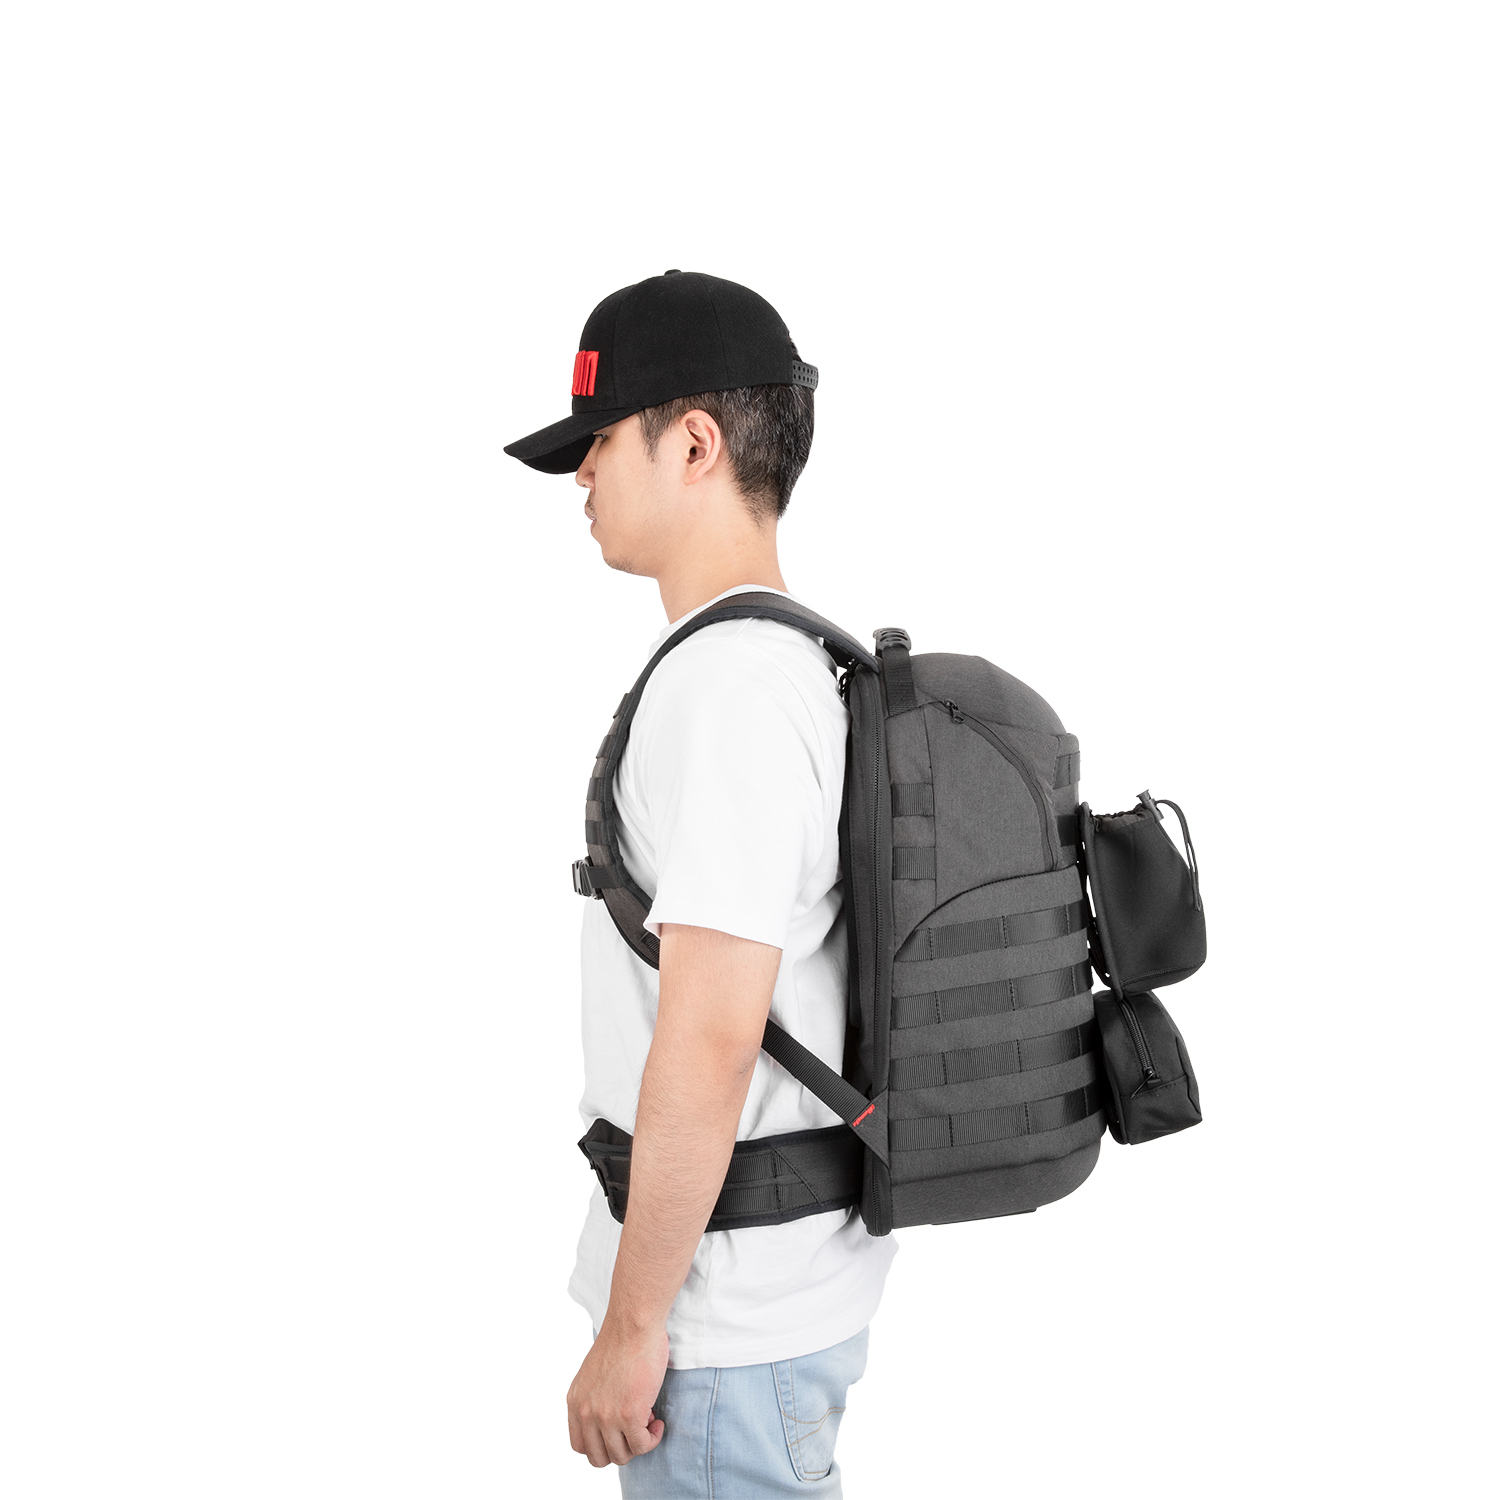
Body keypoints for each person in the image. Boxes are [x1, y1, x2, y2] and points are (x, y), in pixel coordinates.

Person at [506, 270, 897, 1497]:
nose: (580, 473)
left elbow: (715, 1034)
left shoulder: (729, 691)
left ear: (692, 443)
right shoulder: (790, 666)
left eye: (599, 439)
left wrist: (632, 1330)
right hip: (767, 1298)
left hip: (719, 1333)